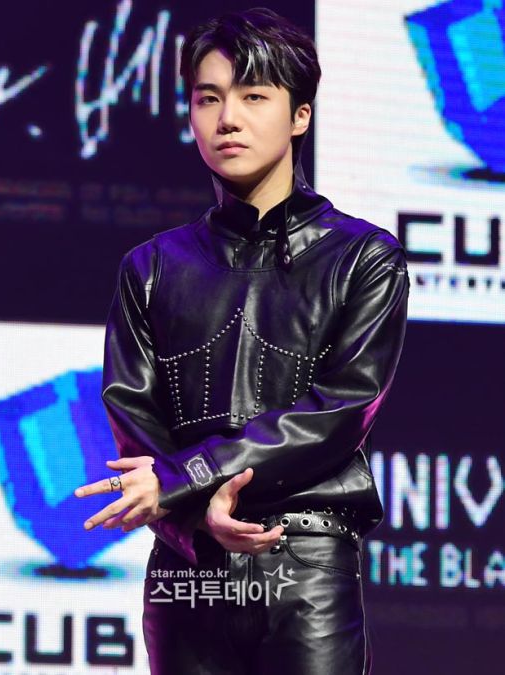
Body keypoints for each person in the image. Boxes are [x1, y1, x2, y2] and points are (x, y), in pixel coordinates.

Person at [75, 7, 410, 674]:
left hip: (305, 561)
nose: (227, 118)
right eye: (208, 98)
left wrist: (189, 476)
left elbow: (340, 410)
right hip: (188, 568)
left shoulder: (363, 259)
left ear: (300, 115)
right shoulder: (151, 267)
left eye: (254, 96)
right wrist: (197, 518)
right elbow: (135, 423)